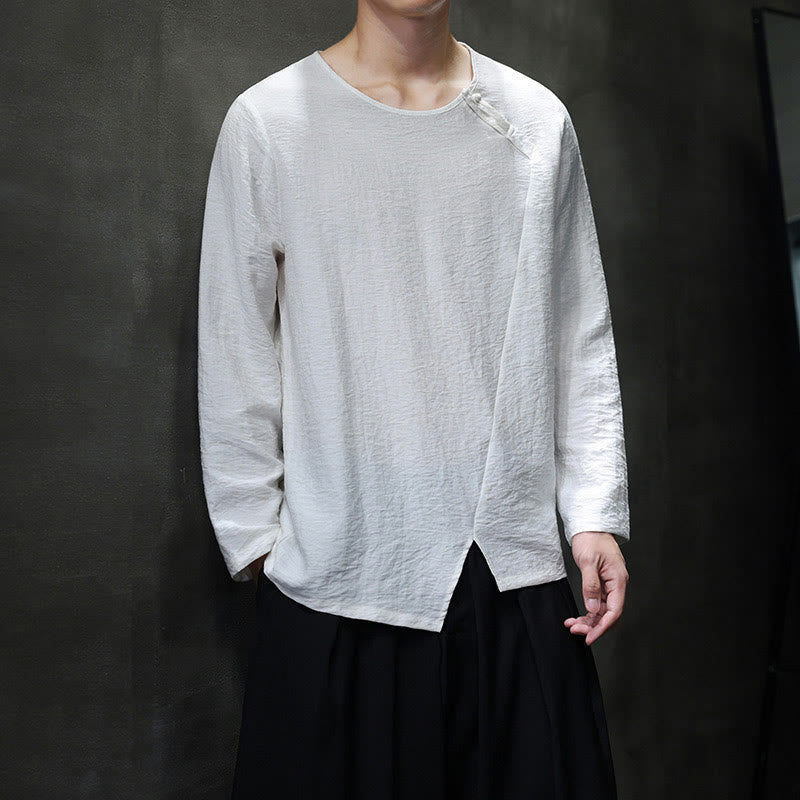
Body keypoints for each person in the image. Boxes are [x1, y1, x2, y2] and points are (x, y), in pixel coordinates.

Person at [197, 3, 631, 798]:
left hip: (511, 570)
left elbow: (578, 331)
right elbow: (235, 347)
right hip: (339, 574)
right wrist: (258, 541)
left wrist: (593, 511)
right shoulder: (269, 122)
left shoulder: (536, 120)